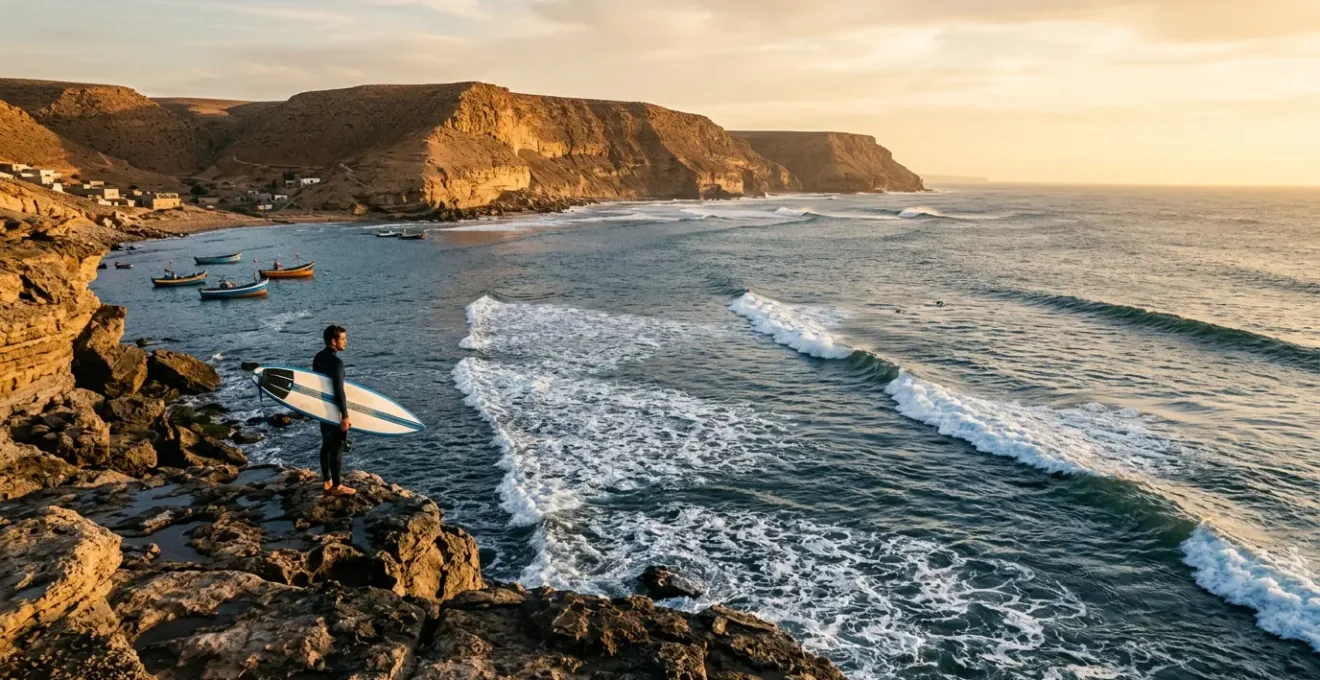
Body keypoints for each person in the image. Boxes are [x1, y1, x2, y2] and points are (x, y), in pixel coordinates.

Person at [313, 325, 354, 495]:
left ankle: (327, 481)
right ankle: (337, 486)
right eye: (343, 339)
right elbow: (339, 390)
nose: (346, 342)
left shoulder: (318, 358)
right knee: (336, 445)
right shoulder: (337, 363)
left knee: (326, 443)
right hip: (333, 409)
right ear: (333, 341)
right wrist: (344, 415)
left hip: (321, 408)